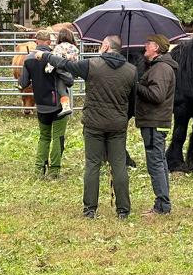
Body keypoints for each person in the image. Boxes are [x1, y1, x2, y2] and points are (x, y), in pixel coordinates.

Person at [50, 35, 137, 218]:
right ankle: (123, 210)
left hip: (93, 124)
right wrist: (123, 118)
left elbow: (67, 65)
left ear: (106, 46)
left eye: (100, 44)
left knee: (92, 165)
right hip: (117, 125)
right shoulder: (131, 70)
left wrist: (46, 57)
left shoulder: (91, 65)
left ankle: (90, 209)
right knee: (119, 165)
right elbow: (133, 101)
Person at [19, 29, 73, 178]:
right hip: (58, 104)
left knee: (44, 137)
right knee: (58, 137)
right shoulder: (54, 58)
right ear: (49, 42)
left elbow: (23, 83)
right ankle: (54, 171)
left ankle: (39, 169)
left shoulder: (28, 59)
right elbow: (69, 80)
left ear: (36, 41)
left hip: (41, 104)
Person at [136, 34, 178, 216]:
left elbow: (157, 95)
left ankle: (162, 205)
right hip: (157, 121)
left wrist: (136, 86)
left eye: (149, 43)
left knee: (155, 164)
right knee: (160, 162)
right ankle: (163, 204)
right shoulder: (159, 67)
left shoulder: (160, 68)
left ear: (157, 48)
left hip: (154, 121)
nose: (145, 46)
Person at [51, 28, 81, 117]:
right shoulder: (74, 48)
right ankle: (63, 106)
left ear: (60, 37)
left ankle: (65, 107)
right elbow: (76, 61)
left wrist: (48, 69)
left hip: (61, 71)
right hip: (70, 71)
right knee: (64, 89)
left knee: (60, 89)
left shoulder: (58, 47)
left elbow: (54, 59)